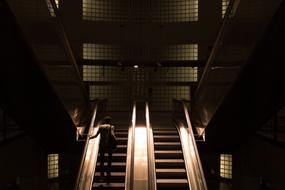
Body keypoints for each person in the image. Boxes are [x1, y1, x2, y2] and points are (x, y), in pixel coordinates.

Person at [90, 116, 117, 181]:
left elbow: (96, 135)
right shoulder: (111, 127)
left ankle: (102, 176)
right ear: (109, 121)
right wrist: (115, 141)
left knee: (102, 161)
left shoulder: (100, 126)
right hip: (109, 146)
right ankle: (108, 174)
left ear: (104, 121)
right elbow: (112, 135)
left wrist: (90, 137)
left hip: (101, 146)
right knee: (109, 160)